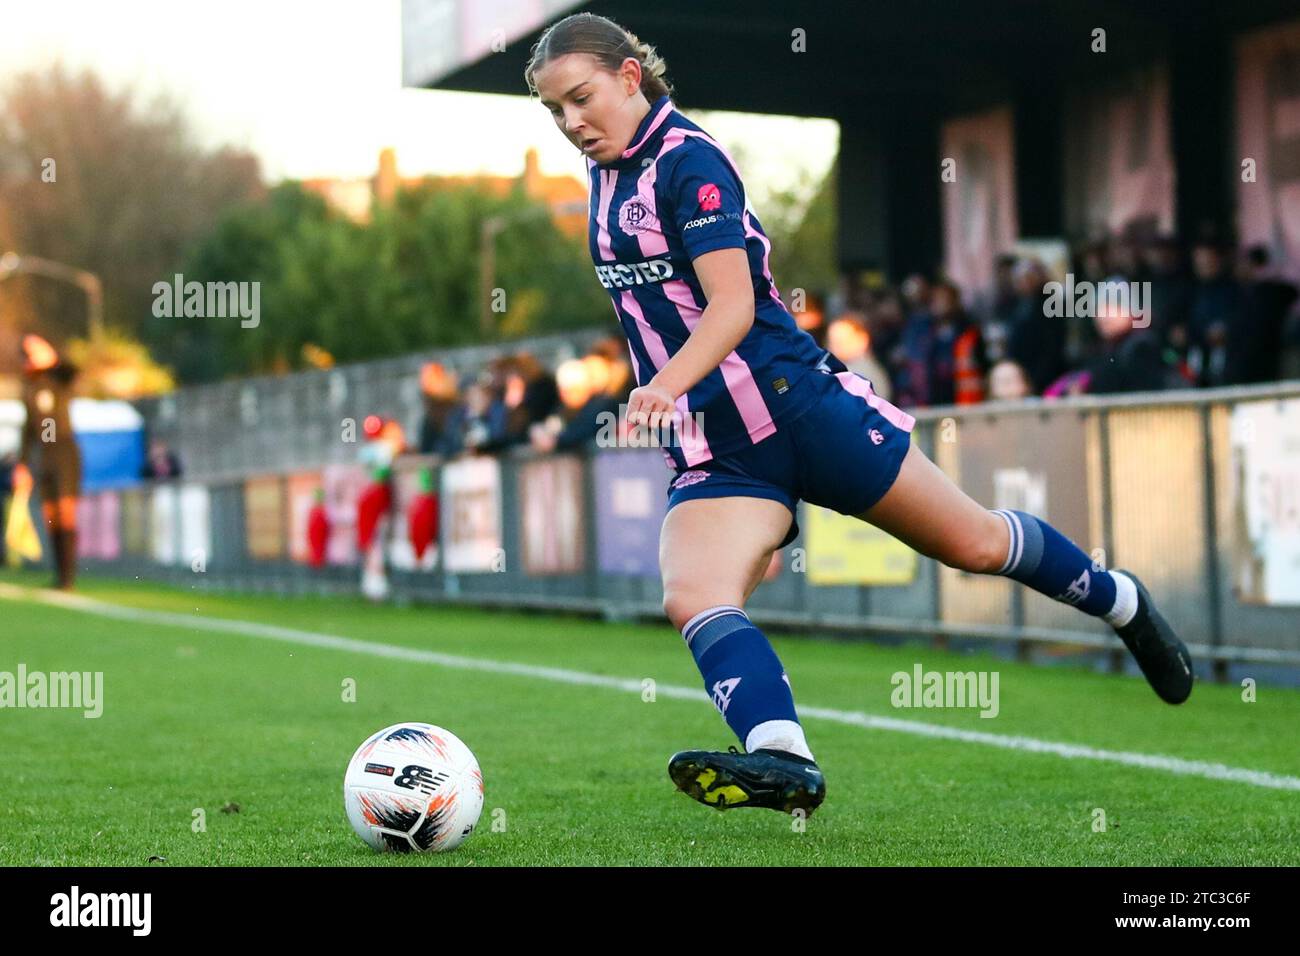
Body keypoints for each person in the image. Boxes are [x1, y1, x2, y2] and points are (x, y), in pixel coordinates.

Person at [526, 12, 1193, 818]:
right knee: (693, 593)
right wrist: (670, 393)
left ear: (631, 76)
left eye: (582, 98)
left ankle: (1119, 599)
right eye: (555, 111)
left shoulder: (688, 161)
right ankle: (783, 757)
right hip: (716, 444)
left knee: (975, 543)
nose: (572, 123)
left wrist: (664, 383)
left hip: (799, 406)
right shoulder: (600, 180)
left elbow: (733, 305)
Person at [13, 333, 82, 589]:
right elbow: (28, 431)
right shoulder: (29, 388)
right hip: (45, 455)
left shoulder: (58, 378)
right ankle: (59, 575)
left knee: (66, 513)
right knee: (50, 514)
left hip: (64, 451)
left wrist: (51, 356)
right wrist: (22, 464)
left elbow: (74, 369)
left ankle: (68, 578)